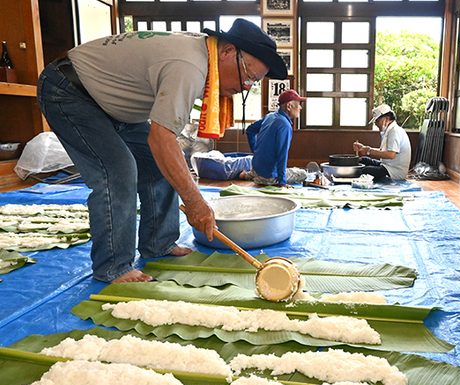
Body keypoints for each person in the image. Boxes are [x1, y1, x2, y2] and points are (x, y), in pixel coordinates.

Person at [36, 19, 287, 283]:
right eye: (248, 76)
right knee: (118, 170)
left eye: (253, 82)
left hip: (111, 104)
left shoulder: (203, 57)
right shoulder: (190, 65)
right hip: (69, 90)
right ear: (226, 52)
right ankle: (113, 266)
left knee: (158, 164)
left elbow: (162, 146)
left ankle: (159, 243)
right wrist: (195, 202)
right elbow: (161, 139)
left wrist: (191, 194)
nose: (246, 87)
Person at [240, 89, 307, 186]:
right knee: (302, 173)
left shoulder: (270, 116)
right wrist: (282, 183)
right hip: (269, 177)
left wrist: (256, 153)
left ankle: (249, 175)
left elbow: (250, 130)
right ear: (289, 106)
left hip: (257, 169)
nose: (300, 107)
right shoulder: (285, 125)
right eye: (298, 104)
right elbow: (282, 156)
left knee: (279, 168)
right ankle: (261, 178)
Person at [352, 104, 411, 181]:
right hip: (386, 165)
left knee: (364, 171)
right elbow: (383, 151)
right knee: (363, 160)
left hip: (394, 171)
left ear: (387, 118)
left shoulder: (394, 131)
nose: (376, 124)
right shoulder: (389, 130)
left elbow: (390, 155)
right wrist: (364, 148)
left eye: (377, 121)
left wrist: (369, 151)